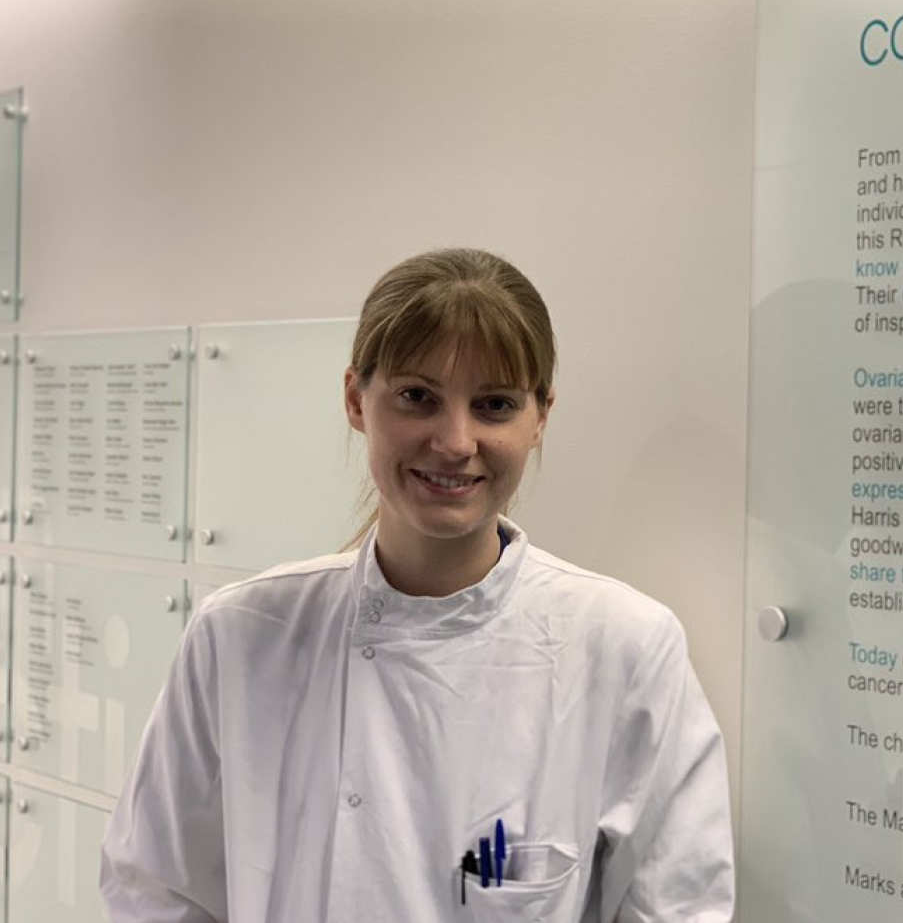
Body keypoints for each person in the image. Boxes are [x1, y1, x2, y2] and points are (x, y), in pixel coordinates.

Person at [100, 249, 735, 921]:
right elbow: (155, 891)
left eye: (494, 405)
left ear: (540, 416)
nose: (456, 441)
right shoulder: (242, 636)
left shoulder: (624, 646)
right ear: (356, 399)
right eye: (417, 397)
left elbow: (678, 906)